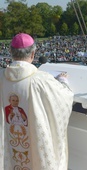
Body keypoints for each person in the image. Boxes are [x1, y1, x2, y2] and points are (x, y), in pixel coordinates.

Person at [0, 33, 74, 170]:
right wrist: (63, 81)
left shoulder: (1, 77)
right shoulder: (40, 79)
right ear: (33, 54)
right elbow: (64, 98)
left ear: (11, 52)